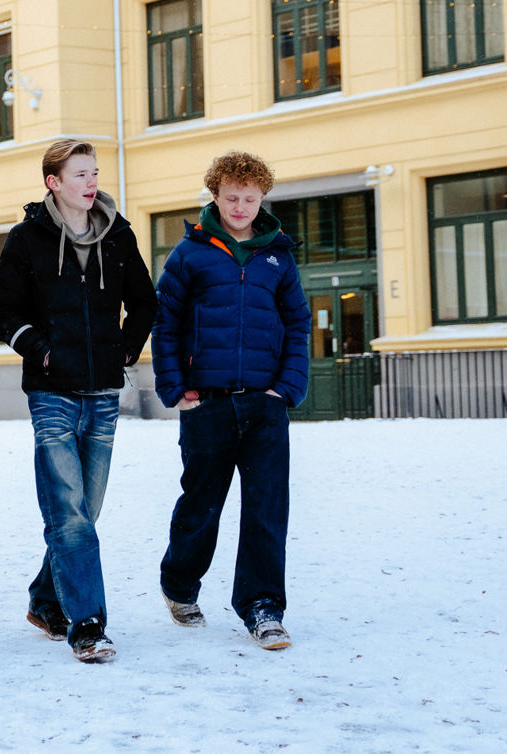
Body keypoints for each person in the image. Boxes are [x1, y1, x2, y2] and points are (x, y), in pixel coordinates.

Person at [0, 139, 157, 663]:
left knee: (84, 510)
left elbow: (146, 302)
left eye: (95, 172)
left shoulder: (119, 235)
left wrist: (125, 349)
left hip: (103, 393)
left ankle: (44, 598)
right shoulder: (25, 239)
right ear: (53, 183)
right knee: (70, 513)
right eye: (80, 174)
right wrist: (39, 351)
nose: (91, 182)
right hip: (51, 394)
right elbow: (2, 311)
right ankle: (87, 624)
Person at [151, 150, 311, 651]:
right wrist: (175, 388)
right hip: (208, 404)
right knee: (201, 505)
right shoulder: (190, 254)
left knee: (266, 508)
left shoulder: (277, 256)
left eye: (250, 198)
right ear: (215, 195)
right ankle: (179, 584)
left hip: (264, 405)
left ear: (262, 198)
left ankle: (263, 607)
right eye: (231, 196)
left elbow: (299, 323)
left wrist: (286, 388)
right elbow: (167, 324)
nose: (240, 206)